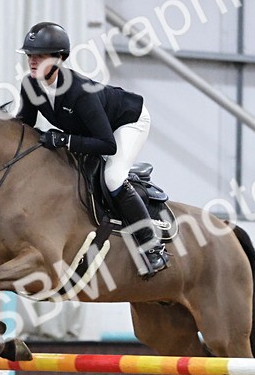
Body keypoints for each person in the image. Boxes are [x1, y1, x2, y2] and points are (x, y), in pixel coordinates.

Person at [15, 21, 169, 278]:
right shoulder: (30, 85)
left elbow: (107, 144)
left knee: (113, 178)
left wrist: (64, 140)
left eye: (39, 55)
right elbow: (25, 124)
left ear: (58, 58)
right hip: (93, 129)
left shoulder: (79, 92)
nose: (32, 60)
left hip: (128, 121)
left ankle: (152, 247)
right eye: (30, 55)